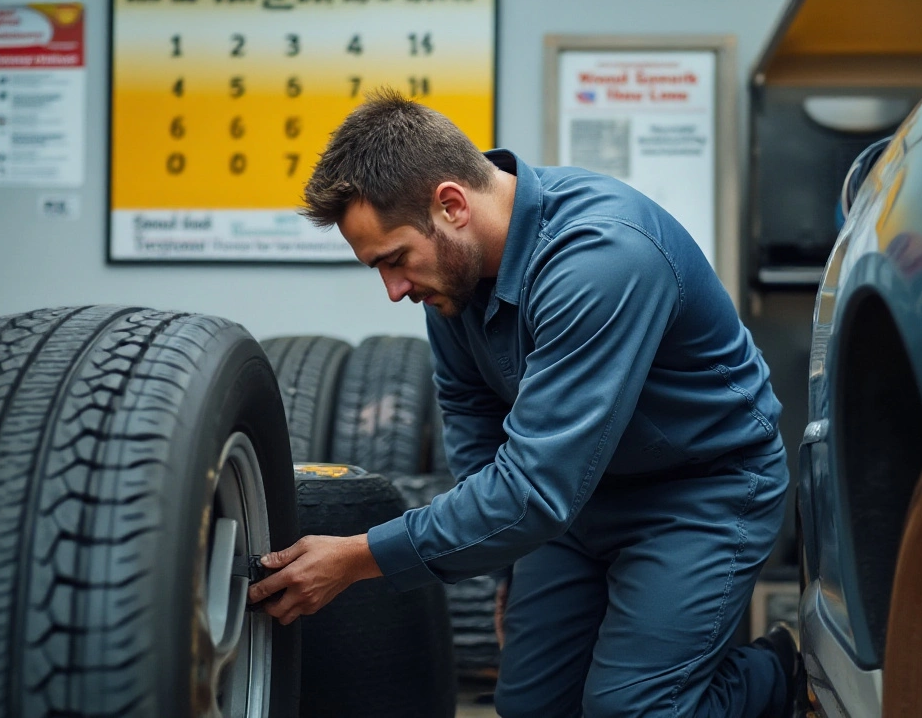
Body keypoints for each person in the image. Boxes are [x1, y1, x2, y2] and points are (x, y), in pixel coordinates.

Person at [247, 88, 799, 718]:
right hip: (573, 500)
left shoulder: (599, 258)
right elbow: (477, 427)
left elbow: (536, 488)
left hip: (702, 490)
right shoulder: (452, 282)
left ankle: (775, 677)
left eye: (396, 260)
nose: (394, 289)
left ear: (451, 204)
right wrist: (505, 560)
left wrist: (356, 557)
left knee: (630, 709)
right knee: (532, 708)